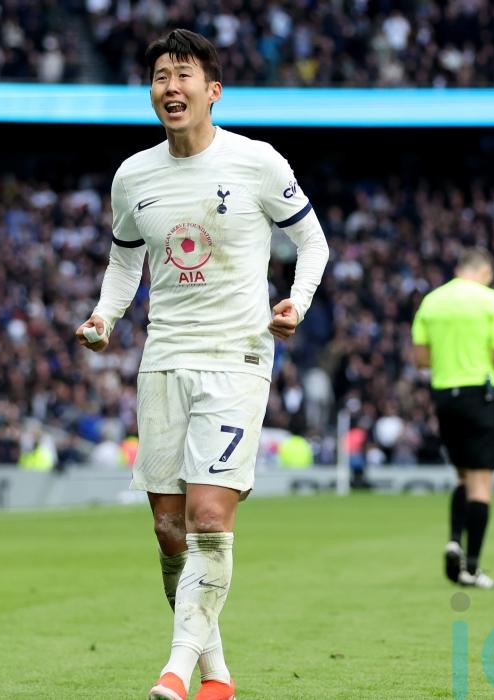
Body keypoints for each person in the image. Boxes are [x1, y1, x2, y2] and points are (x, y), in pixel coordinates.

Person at [75, 28, 329, 700]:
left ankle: (176, 671)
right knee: (169, 529)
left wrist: (297, 303)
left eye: (183, 74)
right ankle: (217, 675)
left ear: (213, 90)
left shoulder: (257, 162)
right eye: (161, 76)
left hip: (236, 357)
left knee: (209, 518)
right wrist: (104, 317)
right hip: (164, 360)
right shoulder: (133, 176)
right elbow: (124, 260)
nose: (171, 87)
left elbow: (313, 242)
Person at [411, 247, 494, 589]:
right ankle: (471, 566)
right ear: (484, 271)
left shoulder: (432, 302)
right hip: (477, 396)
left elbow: (421, 359)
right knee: (481, 484)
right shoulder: (491, 301)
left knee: (462, 476)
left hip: (444, 397)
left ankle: (454, 539)